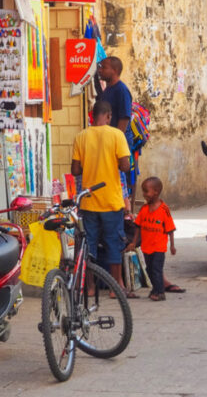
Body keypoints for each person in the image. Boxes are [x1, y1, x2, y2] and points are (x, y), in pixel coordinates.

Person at [71, 100, 136, 297]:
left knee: (89, 245)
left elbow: (75, 170)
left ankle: (90, 288)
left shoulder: (81, 136)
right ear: (108, 116)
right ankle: (116, 288)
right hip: (111, 201)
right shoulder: (117, 135)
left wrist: (90, 165)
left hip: (88, 201)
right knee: (113, 243)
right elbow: (125, 166)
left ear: (92, 115)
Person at [125, 177, 179, 301]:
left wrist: (172, 246)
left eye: (146, 191)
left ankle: (160, 293)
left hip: (159, 247)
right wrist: (134, 242)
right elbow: (137, 227)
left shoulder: (164, 210)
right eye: (143, 191)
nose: (144, 195)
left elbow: (170, 229)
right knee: (149, 269)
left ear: (156, 191)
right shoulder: (144, 209)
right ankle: (155, 289)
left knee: (156, 269)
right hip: (146, 247)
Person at [97, 56, 137, 211]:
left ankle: (124, 211)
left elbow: (124, 118)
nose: (100, 70)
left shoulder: (121, 90)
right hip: (108, 140)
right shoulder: (107, 90)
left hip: (118, 142)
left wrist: (115, 141)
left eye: (104, 67)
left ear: (114, 71)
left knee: (121, 179)